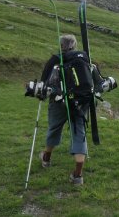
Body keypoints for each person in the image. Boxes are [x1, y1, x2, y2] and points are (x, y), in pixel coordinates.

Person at [38, 34, 91, 185]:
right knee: (79, 132)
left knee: (55, 127)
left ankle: (46, 158)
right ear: (74, 45)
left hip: (58, 101)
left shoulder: (55, 59)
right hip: (81, 101)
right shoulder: (84, 58)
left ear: (61, 45)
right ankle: (78, 175)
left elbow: (44, 82)